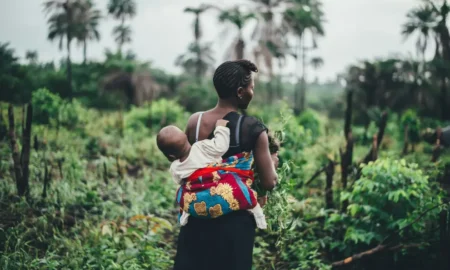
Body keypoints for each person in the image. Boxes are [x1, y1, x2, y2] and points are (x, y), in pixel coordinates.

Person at [173, 59, 278, 270]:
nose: (252, 92)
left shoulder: (196, 121)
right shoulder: (253, 128)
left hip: (197, 218)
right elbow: (269, 182)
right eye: (251, 88)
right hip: (235, 225)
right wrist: (272, 163)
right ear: (240, 92)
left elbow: (187, 161)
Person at [156, 120, 267, 229]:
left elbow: (181, 182)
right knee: (239, 188)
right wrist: (220, 128)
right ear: (186, 137)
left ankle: (186, 213)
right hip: (217, 184)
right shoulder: (201, 147)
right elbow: (221, 146)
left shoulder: (175, 167)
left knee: (181, 193)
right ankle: (258, 214)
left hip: (197, 195)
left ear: (170, 156)